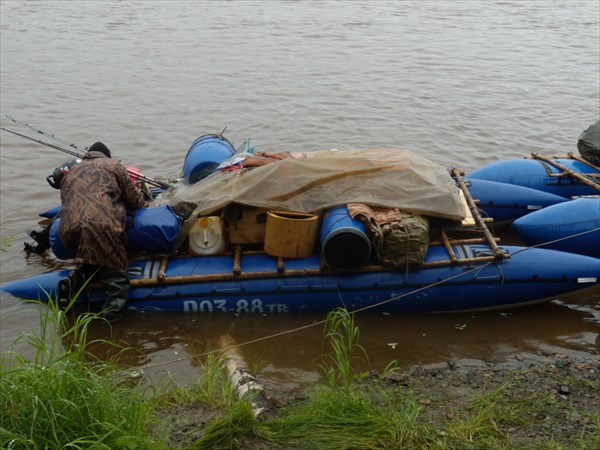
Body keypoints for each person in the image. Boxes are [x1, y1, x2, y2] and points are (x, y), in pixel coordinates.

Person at [57, 141, 145, 320]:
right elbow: (134, 202)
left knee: (93, 261)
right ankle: (109, 323)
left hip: (66, 229)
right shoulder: (114, 166)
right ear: (106, 156)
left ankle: (74, 281)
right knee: (117, 276)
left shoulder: (70, 173)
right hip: (101, 225)